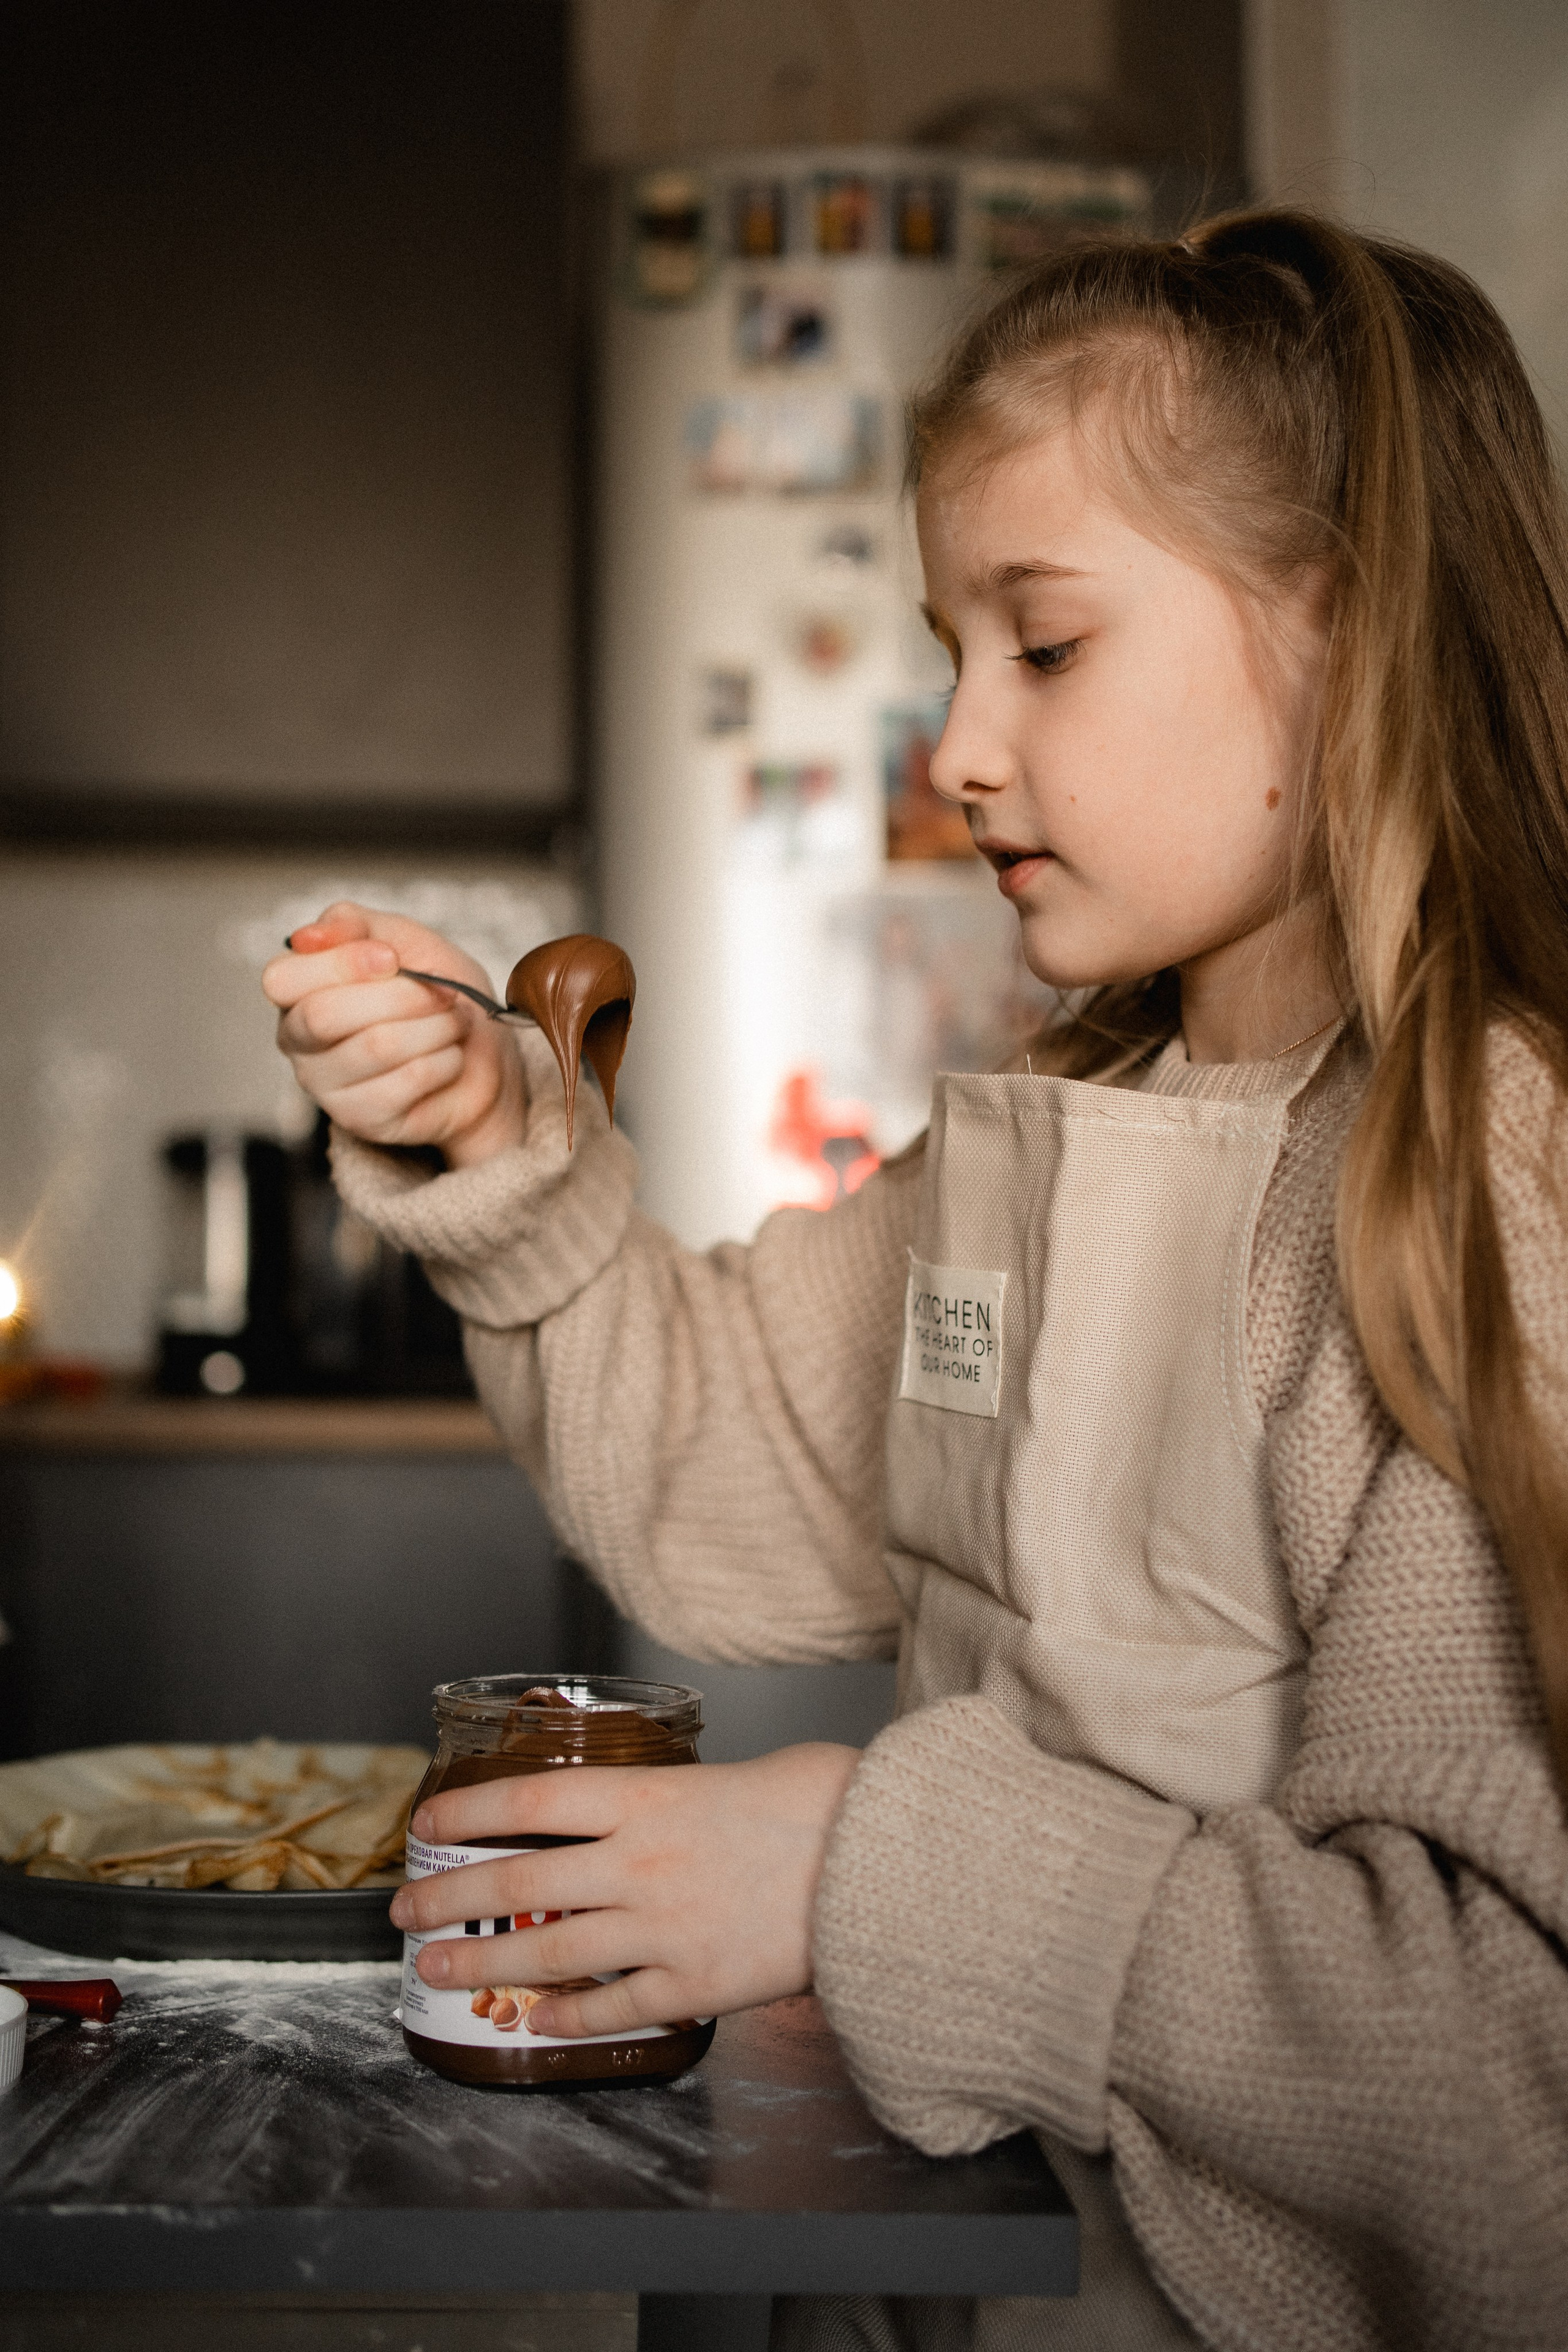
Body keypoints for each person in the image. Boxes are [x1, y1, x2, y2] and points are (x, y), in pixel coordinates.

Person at [262, 211, 1568, 2350]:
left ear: (1349, 634)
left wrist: (856, 1864)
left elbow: (1509, 2085)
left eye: (1043, 648)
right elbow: (722, 1454)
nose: (955, 749)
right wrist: (500, 1149)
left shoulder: (1481, 1186)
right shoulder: (1057, 1131)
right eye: (950, 652)